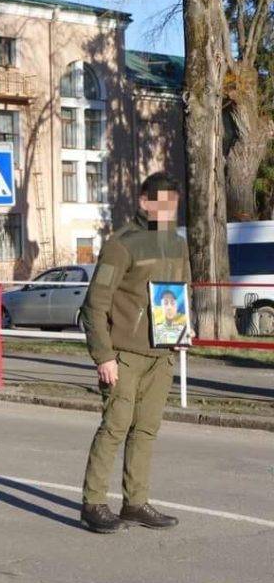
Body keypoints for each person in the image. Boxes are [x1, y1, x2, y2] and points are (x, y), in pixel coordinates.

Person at [79, 172, 190, 534]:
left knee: (146, 429)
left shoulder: (176, 242)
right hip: (124, 355)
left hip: (161, 354)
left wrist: (185, 327)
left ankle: (135, 502)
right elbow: (94, 306)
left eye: (172, 202)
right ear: (144, 201)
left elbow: (179, 292)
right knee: (114, 427)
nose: (166, 209)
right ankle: (93, 503)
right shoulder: (121, 244)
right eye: (160, 201)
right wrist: (104, 356)